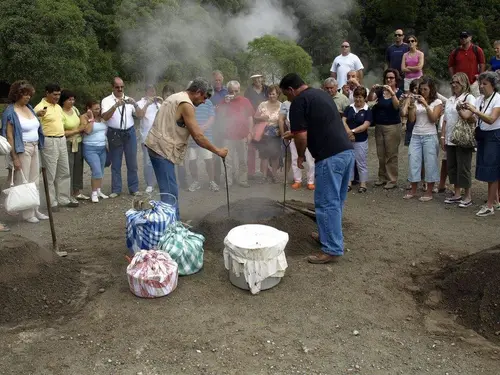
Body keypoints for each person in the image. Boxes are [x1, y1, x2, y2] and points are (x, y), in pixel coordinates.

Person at [279, 73, 354, 264]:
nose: (288, 99)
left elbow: (302, 137)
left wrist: (301, 156)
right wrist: (294, 133)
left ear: (290, 90)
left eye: (286, 95)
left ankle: (332, 249)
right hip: (346, 152)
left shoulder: (298, 102)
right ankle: (326, 236)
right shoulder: (321, 95)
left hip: (329, 157)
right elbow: (318, 124)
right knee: (335, 201)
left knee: (326, 203)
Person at [145, 78, 228, 219]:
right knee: (170, 193)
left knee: (168, 189)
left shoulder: (175, 96)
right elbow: (198, 137)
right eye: (204, 97)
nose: (204, 101)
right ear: (198, 92)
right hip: (162, 149)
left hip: (156, 145)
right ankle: (172, 228)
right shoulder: (186, 104)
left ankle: (171, 223)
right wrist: (218, 151)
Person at [2, 80, 49, 223]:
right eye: (25, 94)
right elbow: (9, 136)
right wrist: (14, 157)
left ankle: (35, 209)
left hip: (35, 146)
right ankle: (27, 214)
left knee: (35, 180)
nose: (28, 97)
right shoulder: (10, 112)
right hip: (22, 148)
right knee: (24, 180)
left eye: (29, 94)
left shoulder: (29, 108)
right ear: (17, 95)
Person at [34, 83, 77, 211]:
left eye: (58, 94)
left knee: (64, 171)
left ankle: (63, 198)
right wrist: (38, 115)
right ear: (47, 93)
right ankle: (51, 202)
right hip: (49, 140)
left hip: (61, 139)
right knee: (50, 173)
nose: (57, 97)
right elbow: (35, 126)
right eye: (54, 94)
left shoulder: (58, 107)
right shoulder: (39, 108)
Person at [462, 72, 500, 217]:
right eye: (480, 83)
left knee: (492, 170)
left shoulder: (498, 99)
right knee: (487, 169)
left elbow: (491, 119)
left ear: (493, 85)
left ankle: (490, 205)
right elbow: (468, 117)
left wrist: (474, 111)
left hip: (495, 136)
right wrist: (460, 108)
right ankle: (494, 201)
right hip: (483, 136)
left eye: (485, 84)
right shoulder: (479, 100)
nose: (481, 87)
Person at [101, 77, 145, 198]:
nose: (120, 89)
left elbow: (141, 116)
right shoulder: (107, 101)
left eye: (122, 87)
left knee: (132, 162)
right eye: (117, 87)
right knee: (116, 162)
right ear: (113, 87)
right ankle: (116, 189)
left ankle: (134, 188)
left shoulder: (129, 99)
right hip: (115, 133)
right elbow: (105, 117)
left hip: (129, 132)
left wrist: (135, 104)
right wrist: (115, 106)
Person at [404, 76, 443, 201]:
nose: (422, 92)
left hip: (430, 135)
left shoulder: (437, 102)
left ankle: (429, 191)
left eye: (425, 89)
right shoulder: (416, 101)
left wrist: (425, 104)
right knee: (413, 161)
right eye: (421, 89)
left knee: (430, 162)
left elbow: (433, 119)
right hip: (416, 134)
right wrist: (410, 104)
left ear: (431, 90)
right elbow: (411, 119)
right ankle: (413, 189)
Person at [440, 73, 476, 208]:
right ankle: (457, 193)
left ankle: (468, 195)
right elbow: (445, 119)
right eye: (452, 82)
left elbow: (469, 116)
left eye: (457, 82)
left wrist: (460, 109)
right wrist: (443, 136)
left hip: (462, 138)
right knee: (452, 166)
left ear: (464, 83)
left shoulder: (469, 98)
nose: (454, 85)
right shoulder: (450, 99)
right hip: (450, 138)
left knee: (464, 167)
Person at [368, 69, 403, 189]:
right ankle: (382, 177)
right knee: (381, 153)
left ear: (396, 79)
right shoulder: (380, 92)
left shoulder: (399, 93)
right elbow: (369, 99)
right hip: (379, 126)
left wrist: (391, 93)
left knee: (391, 154)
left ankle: (392, 179)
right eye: (387, 78)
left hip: (393, 126)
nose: (389, 80)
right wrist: (373, 90)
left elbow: (397, 106)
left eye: (391, 78)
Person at [218, 80, 254, 188]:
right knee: (228, 161)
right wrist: (225, 104)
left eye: (236, 91)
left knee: (243, 160)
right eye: (231, 91)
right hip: (227, 136)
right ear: (227, 91)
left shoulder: (245, 101)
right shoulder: (224, 102)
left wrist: (250, 132)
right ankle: (228, 181)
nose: (234, 93)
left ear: (240, 90)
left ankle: (242, 180)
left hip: (242, 135)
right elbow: (219, 118)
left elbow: (250, 117)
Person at [186, 89, 219, 192]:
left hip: (206, 136)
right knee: (192, 160)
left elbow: (212, 117)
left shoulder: (208, 102)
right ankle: (195, 182)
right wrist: (194, 129)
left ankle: (212, 182)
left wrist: (204, 127)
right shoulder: (187, 102)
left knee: (208, 160)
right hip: (192, 137)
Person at [59, 90, 88, 202]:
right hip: (68, 142)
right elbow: (61, 131)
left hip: (78, 142)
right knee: (68, 168)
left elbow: (82, 122)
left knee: (78, 167)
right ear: (63, 100)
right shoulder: (60, 112)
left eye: (73, 99)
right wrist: (77, 130)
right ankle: (67, 194)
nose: (72, 102)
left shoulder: (75, 110)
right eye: (69, 99)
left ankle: (77, 191)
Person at [279, 100, 315, 190]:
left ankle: (310, 181)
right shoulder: (286, 104)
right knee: (295, 158)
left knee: (310, 159)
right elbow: (282, 119)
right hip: (293, 134)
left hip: (307, 135)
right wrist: (284, 134)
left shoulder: (307, 102)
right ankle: (297, 180)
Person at [343, 86, 373, 193]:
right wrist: (348, 132)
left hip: (360, 140)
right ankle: (348, 182)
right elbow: (343, 120)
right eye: (356, 97)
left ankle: (363, 183)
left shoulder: (367, 110)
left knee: (361, 162)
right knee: (349, 162)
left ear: (364, 98)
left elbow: (365, 125)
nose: (358, 99)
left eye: (360, 97)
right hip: (348, 139)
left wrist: (352, 131)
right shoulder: (349, 108)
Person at [253, 84, 283, 183]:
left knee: (275, 156)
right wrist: (261, 118)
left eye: (273, 94)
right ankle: (264, 176)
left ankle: (274, 176)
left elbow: (285, 120)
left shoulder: (281, 106)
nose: (271, 96)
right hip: (264, 134)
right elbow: (255, 118)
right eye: (269, 94)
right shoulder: (262, 105)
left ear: (278, 94)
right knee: (264, 156)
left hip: (276, 134)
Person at [136, 84, 162, 194]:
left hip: (159, 137)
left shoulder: (159, 104)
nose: (153, 93)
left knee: (160, 160)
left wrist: (162, 101)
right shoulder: (140, 103)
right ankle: (150, 184)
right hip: (146, 137)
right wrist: (147, 104)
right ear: (146, 92)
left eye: (154, 91)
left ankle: (159, 182)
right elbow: (140, 116)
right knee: (147, 162)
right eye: (150, 91)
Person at [81, 101, 109, 203]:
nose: (98, 110)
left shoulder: (102, 118)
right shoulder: (84, 117)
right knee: (96, 170)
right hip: (90, 147)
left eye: (99, 108)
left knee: (101, 170)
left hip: (102, 147)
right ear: (89, 108)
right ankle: (93, 193)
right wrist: (91, 118)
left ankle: (98, 190)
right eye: (96, 109)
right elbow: (87, 131)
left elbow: (105, 132)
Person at [244, 74, 269, 179]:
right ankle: (251, 172)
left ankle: (265, 171)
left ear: (262, 78)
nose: (257, 80)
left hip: (266, 122)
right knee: (251, 148)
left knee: (265, 147)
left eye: (259, 78)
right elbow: (245, 106)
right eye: (255, 78)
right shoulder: (249, 91)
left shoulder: (267, 89)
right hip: (252, 121)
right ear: (252, 80)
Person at [448, 31, 486, 97]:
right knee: (458, 102)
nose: (463, 39)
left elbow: (482, 64)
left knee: (476, 102)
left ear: (470, 38)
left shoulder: (477, 50)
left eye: (465, 37)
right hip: (459, 84)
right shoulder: (455, 52)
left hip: (473, 82)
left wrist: (480, 76)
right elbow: (450, 65)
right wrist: (453, 77)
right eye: (461, 37)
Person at [211, 70, 229, 186]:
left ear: (222, 80)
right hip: (213, 126)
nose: (217, 82)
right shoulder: (209, 92)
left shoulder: (227, 92)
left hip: (226, 125)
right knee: (215, 153)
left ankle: (228, 178)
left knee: (227, 152)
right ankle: (216, 178)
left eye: (219, 80)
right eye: (215, 80)